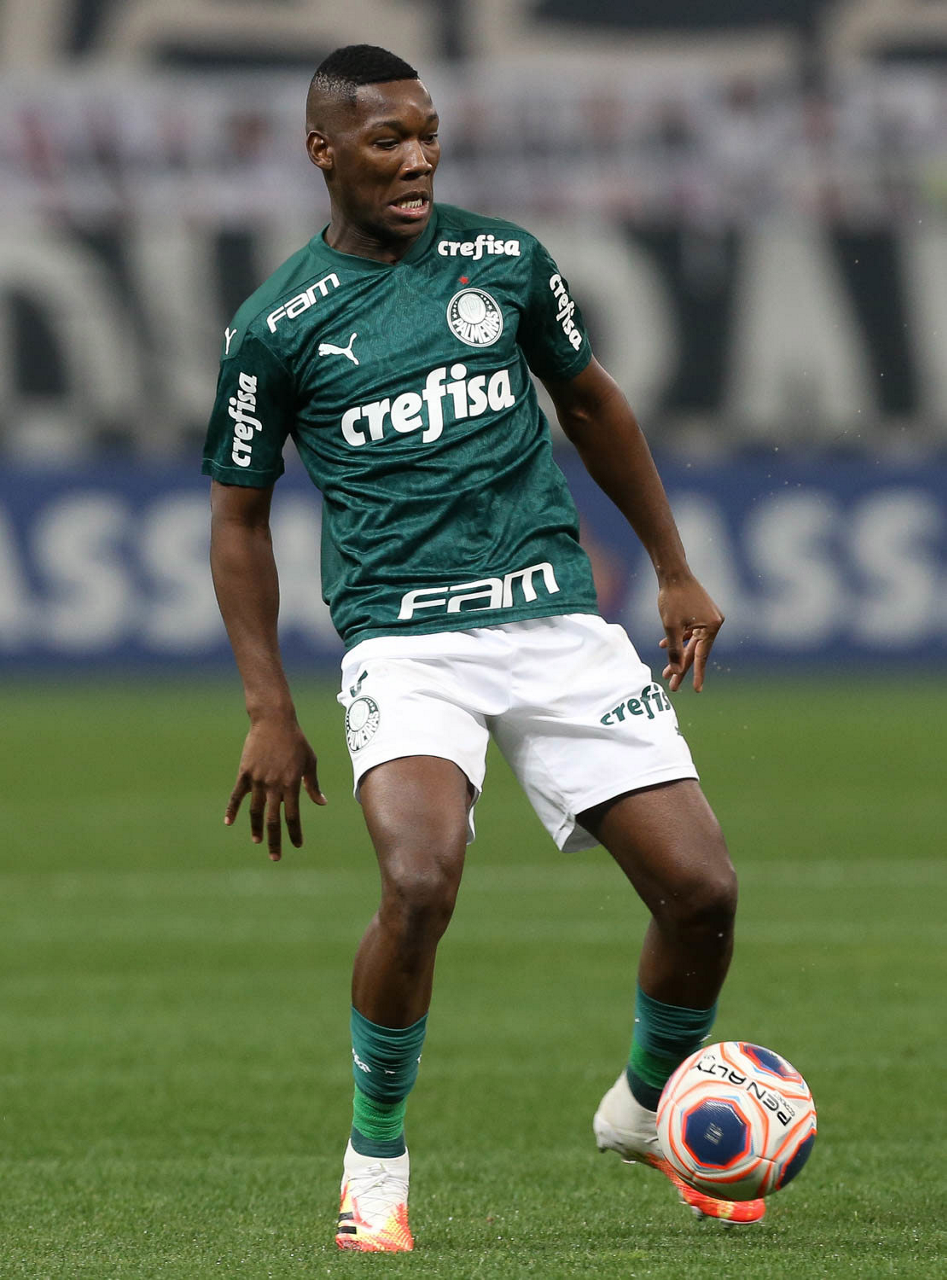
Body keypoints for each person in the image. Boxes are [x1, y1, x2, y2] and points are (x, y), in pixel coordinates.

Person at [202, 44, 762, 1254]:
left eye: (427, 135)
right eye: (387, 140)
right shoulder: (274, 327)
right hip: (406, 644)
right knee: (416, 882)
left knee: (703, 892)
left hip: (553, 622)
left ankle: (642, 1105)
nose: (418, 160)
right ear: (323, 153)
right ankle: (373, 1163)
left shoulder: (502, 261)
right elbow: (238, 520)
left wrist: (671, 566)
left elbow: (592, 404)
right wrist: (267, 706)